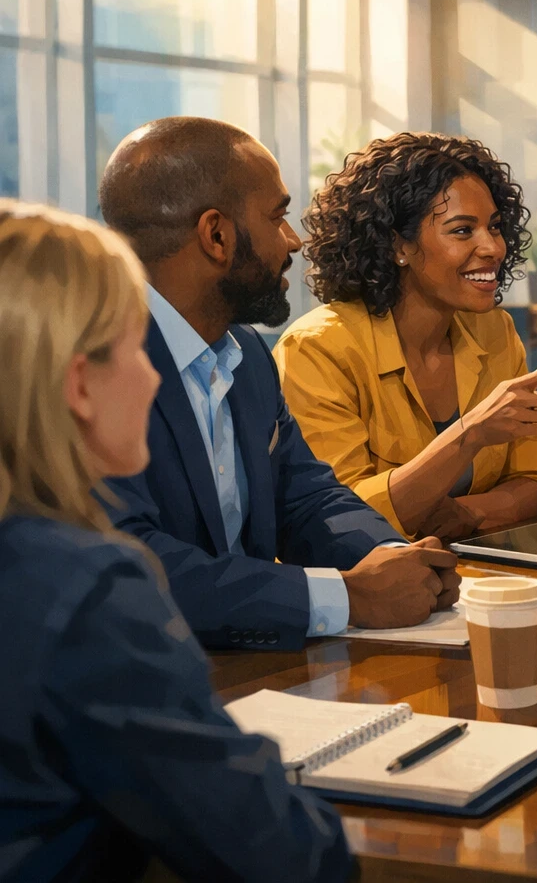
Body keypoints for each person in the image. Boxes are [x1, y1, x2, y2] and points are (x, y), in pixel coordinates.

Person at [0, 201, 352, 882]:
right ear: (78, 385)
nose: (157, 376)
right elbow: (288, 855)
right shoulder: (84, 591)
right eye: (136, 348)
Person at [99, 117, 459, 652]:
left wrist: (400, 562)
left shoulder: (245, 354)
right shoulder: (93, 368)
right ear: (216, 235)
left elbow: (306, 497)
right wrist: (346, 597)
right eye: (278, 216)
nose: (293, 240)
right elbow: (131, 563)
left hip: (247, 673)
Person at [274, 133, 537, 541]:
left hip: (484, 580)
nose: (492, 247)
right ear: (398, 245)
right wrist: (467, 436)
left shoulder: (495, 331)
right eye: (463, 230)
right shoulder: (318, 348)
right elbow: (339, 522)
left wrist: (464, 513)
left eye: (495, 227)